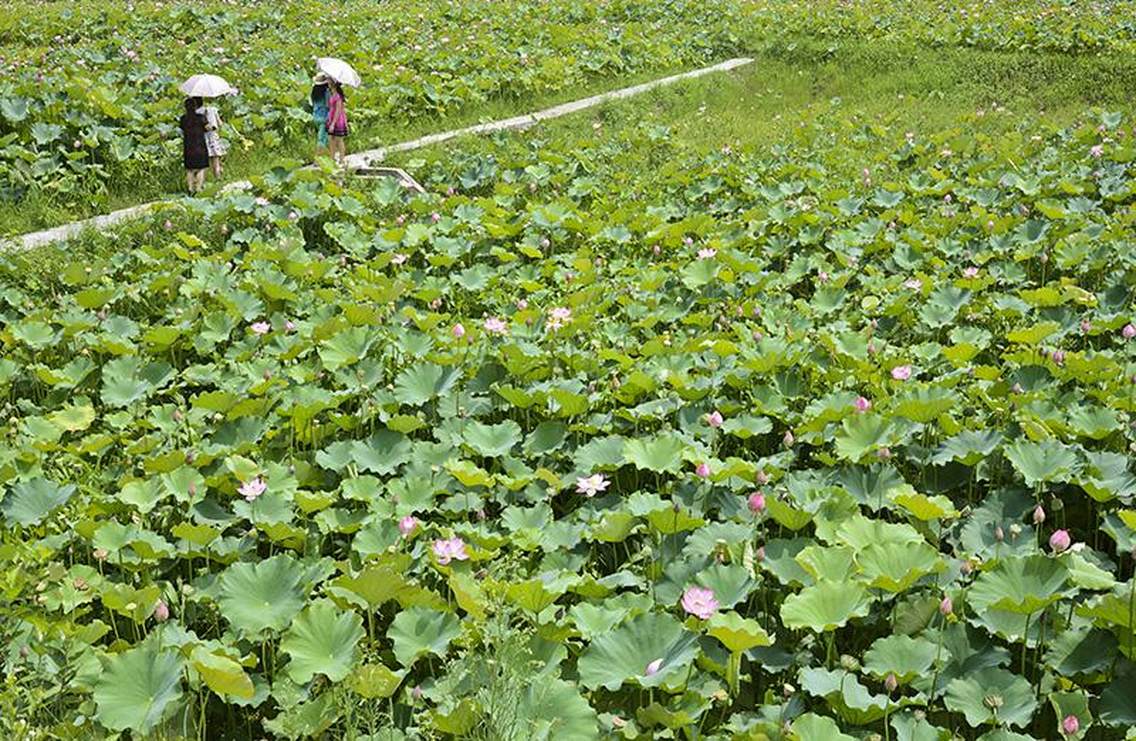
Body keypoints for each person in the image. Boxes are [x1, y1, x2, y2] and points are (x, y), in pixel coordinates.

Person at [179, 97, 208, 193]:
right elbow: (207, 127)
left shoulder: (183, 119)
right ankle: (199, 188)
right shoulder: (201, 117)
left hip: (188, 146)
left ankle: (190, 189)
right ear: (195, 107)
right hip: (200, 145)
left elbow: (182, 129)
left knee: (189, 169)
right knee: (201, 168)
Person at [197, 100, 229, 179]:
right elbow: (220, 124)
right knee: (216, 162)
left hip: (202, 139)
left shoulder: (196, 112)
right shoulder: (213, 109)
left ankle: (200, 183)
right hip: (213, 138)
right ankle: (218, 178)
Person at [326, 79, 348, 164]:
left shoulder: (338, 96)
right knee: (331, 139)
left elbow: (338, 111)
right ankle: (332, 158)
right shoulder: (332, 94)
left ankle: (342, 159)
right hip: (331, 118)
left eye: (329, 82)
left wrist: (333, 124)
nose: (328, 84)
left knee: (339, 140)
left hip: (337, 120)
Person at [311, 73, 330, 158]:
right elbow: (328, 105)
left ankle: (322, 156)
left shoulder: (313, 92)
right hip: (324, 117)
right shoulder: (326, 92)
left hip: (315, 116)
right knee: (322, 138)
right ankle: (318, 157)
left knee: (320, 136)